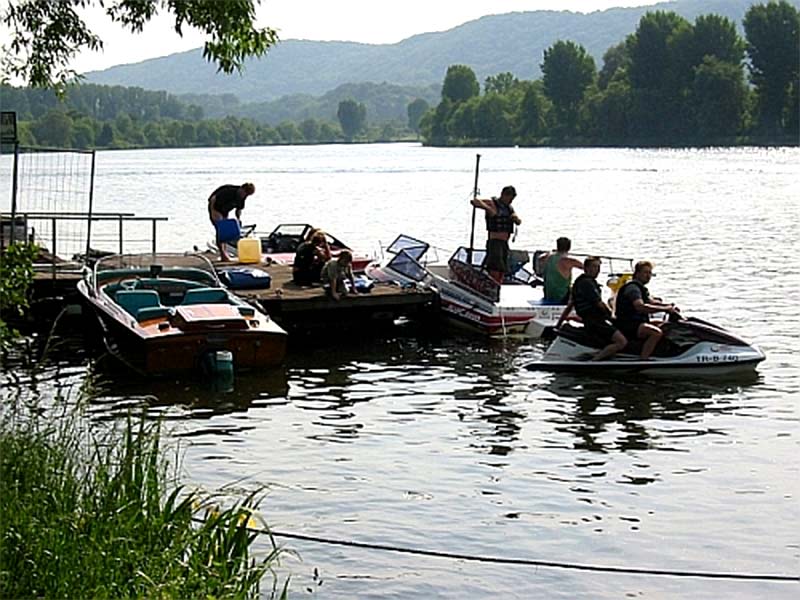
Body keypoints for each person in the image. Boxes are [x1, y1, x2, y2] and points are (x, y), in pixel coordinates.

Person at [556, 256, 627, 361]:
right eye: (594, 267)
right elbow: (599, 304)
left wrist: (558, 323)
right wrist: (612, 316)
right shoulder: (587, 283)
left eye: (598, 267)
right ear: (586, 268)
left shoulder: (579, 282)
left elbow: (571, 304)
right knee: (621, 341)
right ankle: (595, 360)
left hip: (591, 320)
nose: (597, 270)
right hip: (595, 320)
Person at [614, 260, 680, 360]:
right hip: (628, 324)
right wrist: (665, 309)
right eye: (645, 272)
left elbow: (650, 302)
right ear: (637, 273)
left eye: (650, 273)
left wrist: (669, 306)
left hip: (637, 322)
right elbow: (640, 306)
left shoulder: (640, 288)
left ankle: (662, 353)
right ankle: (644, 359)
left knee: (664, 325)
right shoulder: (633, 288)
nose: (648, 276)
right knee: (656, 333)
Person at [470, 185, 521, 284]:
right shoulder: (492, 203)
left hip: (504, 243)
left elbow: (518, 220)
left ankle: (498, 285)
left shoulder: (509, 208)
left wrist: (516, 219)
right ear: (504, 195)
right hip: (495, 242)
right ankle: (492, 285)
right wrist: (488, 209)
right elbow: (474, 201)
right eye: (510, 198)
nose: (511, 201)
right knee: (495, 268)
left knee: (502, 268)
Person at [207, 182, 256, 261]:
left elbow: (239, 209)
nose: (245, 196)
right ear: (241, 189)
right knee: (220, 230)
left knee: (226, 231)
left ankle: (225, 251)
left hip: (225, 210)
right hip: (215, 207)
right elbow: (213, 199)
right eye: (245, 193)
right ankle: (222, 253)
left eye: (247, 195)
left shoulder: (242, 197)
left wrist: (238, 219)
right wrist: (212, 212)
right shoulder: (229, 191)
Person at [539, 237, 583, 304]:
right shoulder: (569, 261)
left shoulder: (548, 257)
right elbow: (586, 268)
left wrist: (551, 253)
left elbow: (540, 258)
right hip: (562, 298)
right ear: (569, 247)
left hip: (549, 295)